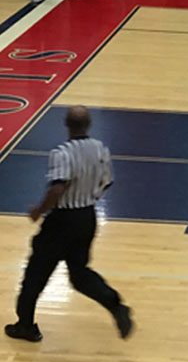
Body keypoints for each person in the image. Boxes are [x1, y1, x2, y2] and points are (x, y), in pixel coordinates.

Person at [4, 106, 134, 343]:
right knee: (80, 274)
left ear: (66, 124)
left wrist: (39, 210)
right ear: (89, 124)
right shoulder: (100, 149)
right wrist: (89, 199)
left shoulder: (61, 153)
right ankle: (116, 305)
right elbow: (107, 182)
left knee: (35, 274)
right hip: (87, 218)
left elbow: (57, 187)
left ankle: (26, 326)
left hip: (61, 222)